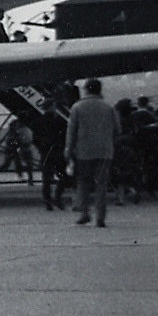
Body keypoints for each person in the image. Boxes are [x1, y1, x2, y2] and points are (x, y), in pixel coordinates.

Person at [65, 78, 122, 227]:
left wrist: (68, 150)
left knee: (83, 183)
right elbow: (118, 129)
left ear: (86, 89)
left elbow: (71, 132)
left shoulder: (77, 107)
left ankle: (84, 213)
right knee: (101, 184)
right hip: (105, 151)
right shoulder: (108, 107)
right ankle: (100, 218)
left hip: (83, 151)